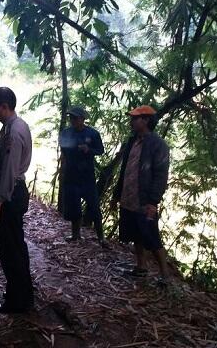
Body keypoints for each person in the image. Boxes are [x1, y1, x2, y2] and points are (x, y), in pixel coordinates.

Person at [0, 87, 34, 313]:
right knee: (16, 246)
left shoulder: (13, 132)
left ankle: (18, 302)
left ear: (4, 106)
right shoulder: (13, 126)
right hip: (11, 195)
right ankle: (19, 292)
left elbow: (9, 172)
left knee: (10, 249)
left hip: (10, 197)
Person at [111, 105, 171, 286]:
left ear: (145, 120)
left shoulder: (158, 145)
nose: (132, 121)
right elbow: (125, 170)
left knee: (152, 237)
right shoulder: (132, 141)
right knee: (135, 234)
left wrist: (153, 202)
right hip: (128, 198)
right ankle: (141, 266)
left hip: (145, 201)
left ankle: (165, 276)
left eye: (135, 119)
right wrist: (116, 195)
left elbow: (161, 175)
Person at [58, 106, 107, 248]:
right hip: (71, 176)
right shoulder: (66, 133)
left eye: (75, 117)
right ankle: (75, 235)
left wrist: (88, 149)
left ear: (82, 119)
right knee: (74, 208)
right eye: (71, 117)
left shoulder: (92, 133)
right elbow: (63, 149)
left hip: (87, 178)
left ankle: (101, 238)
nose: (72, 120)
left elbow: (100, 150)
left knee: (94, 208)